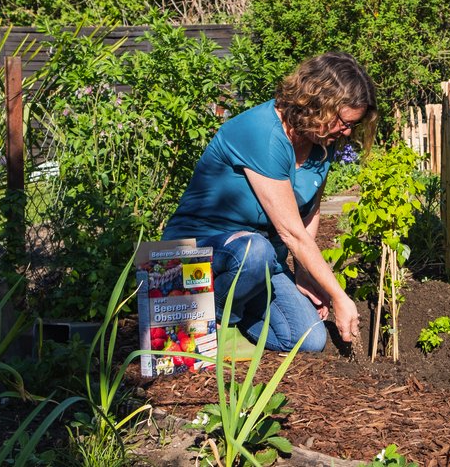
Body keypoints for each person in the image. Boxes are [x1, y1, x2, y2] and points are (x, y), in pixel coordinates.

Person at [162, 52, 378, 352]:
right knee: (254, 252)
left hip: (260, 262)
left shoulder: (321, 144)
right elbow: (291, 232)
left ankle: (235, 313)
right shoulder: (261, 133)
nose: (348, 131)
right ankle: (211, 320)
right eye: (344, 122)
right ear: (319, 103)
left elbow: (310, 210)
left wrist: (303, 272)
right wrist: (339, 296)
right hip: (201, 252)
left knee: (308, 339)